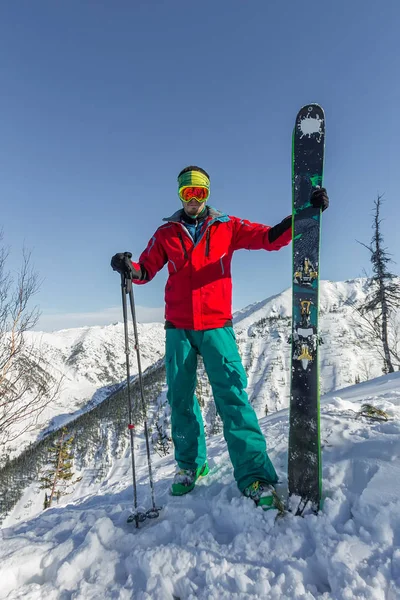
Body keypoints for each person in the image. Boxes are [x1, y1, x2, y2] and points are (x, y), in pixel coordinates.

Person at [111, 165, 329, 510]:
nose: (193, 198)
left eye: (199, 192)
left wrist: (304, 213)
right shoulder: (167, 232)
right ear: (180, 194)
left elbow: (269, 238)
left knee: (232, 398)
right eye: (187, 192)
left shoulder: (228, 227)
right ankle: (190, 465)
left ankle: (254, 475)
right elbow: (146, 269)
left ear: (207, 193)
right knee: (180, 400)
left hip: (216, 326)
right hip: (178, 328)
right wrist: (129, 267)